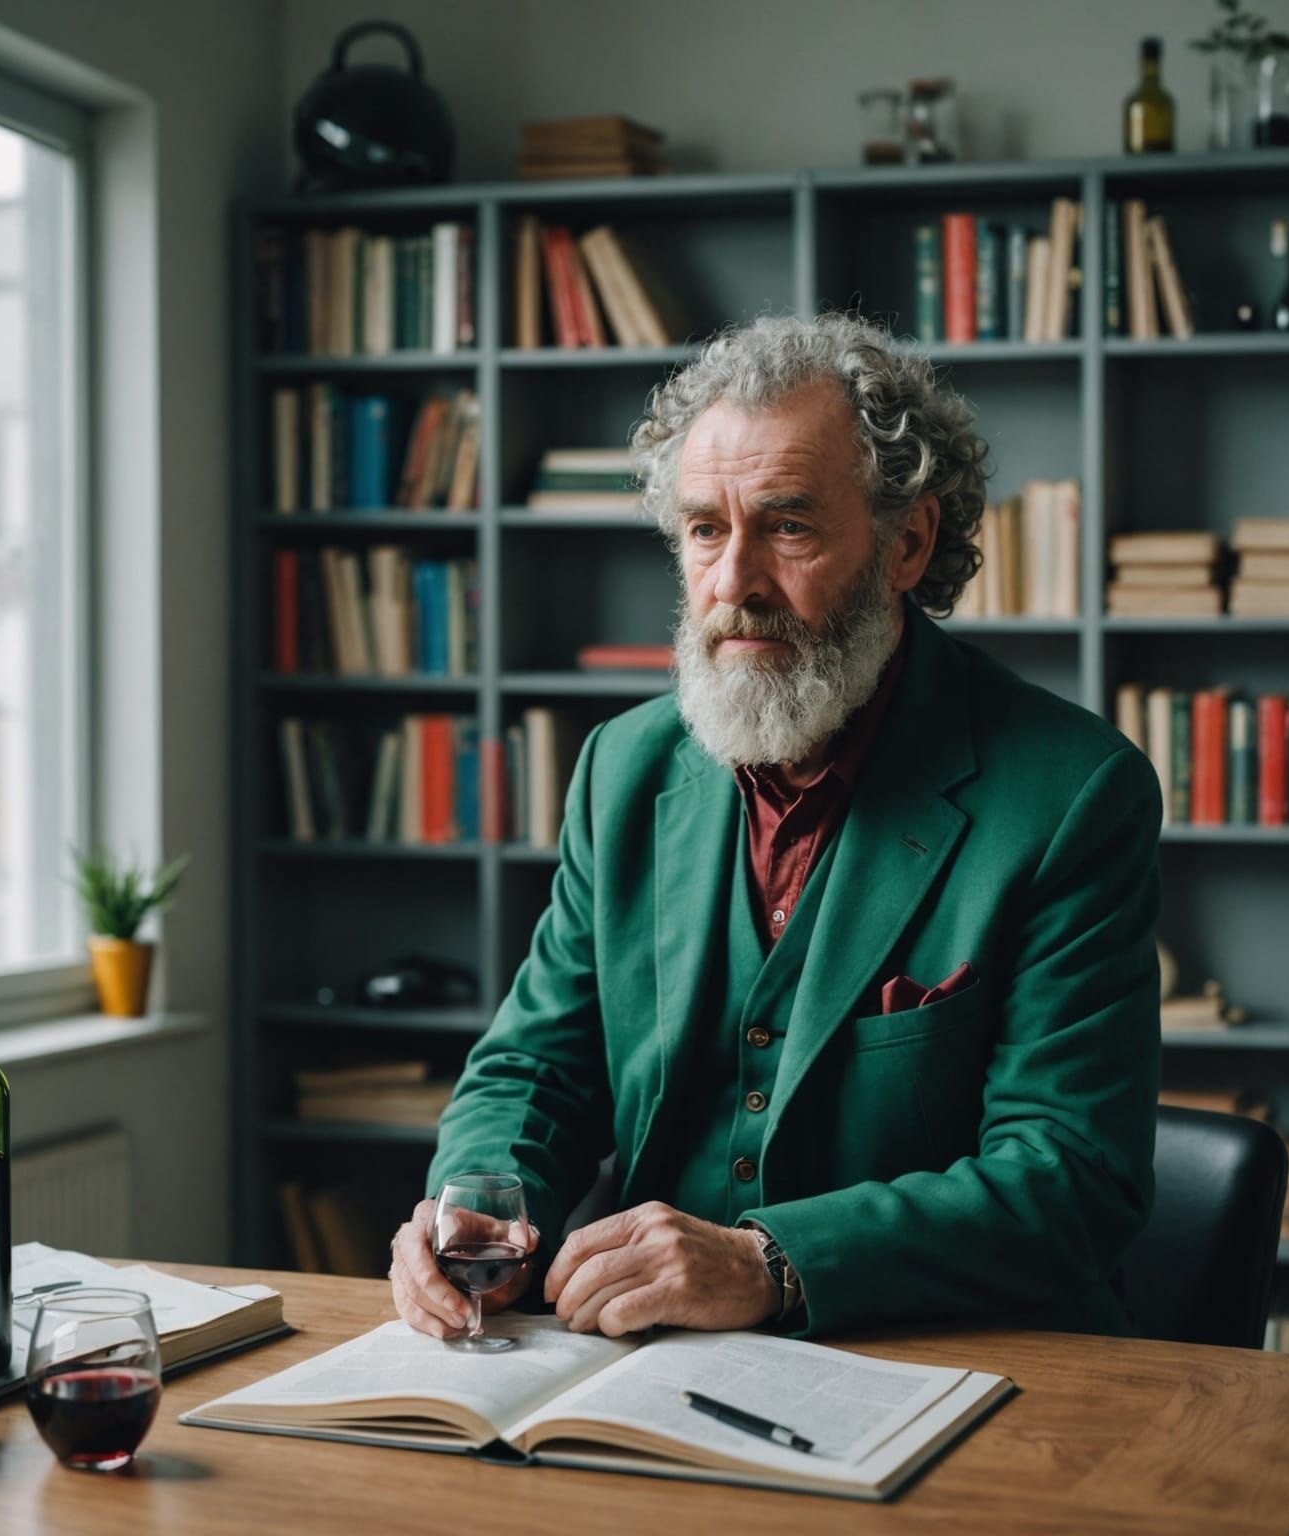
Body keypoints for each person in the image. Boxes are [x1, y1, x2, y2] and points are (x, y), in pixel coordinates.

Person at [389, 311, 1162, 1342]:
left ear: (909, 542)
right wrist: (477, 1199)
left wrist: (770, 1264)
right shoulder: (622, 770)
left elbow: (1070, 1175)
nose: (732, 583)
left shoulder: (1074, 795)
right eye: (706, 529)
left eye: (787, 526)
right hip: (649, 1371)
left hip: (967, 1369)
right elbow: (539, 1067)